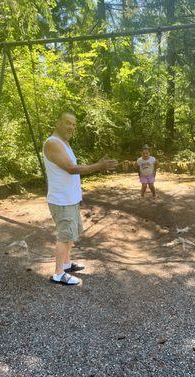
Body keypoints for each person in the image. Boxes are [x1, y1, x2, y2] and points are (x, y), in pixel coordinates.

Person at [43, 111, 118, 286]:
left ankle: (66, 264)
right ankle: (58, 273)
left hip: (70, 199)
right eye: (67, 123)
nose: (71, 127)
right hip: (61, 200)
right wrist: (98, 166)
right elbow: (71, 168)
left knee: (71, 233)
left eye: (74, 125)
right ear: (58, 122)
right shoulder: (53, 144)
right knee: (64, 236)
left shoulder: (64, 143)